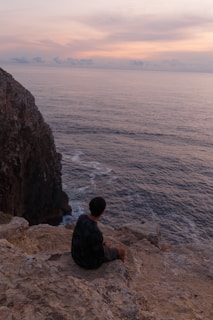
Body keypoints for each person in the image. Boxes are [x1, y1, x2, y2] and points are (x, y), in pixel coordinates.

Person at [71, 197, 125, 269]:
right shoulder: (96, 232)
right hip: (87, 263)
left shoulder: (81, 218)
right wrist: (105, 247)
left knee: (104, 245)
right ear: (102, 212)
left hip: (75, 255)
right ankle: (122, 269)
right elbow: (100, 254)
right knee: (122, 251)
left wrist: (102, 246)